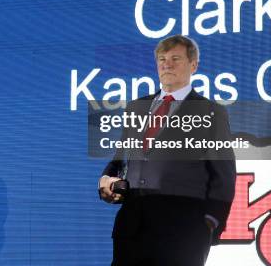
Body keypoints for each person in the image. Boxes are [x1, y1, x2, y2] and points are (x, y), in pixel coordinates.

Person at [98, 35, 236, 266]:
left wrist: (210, 223)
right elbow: (121, 160)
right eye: (162, 59)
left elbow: (223, 175)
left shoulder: (211, 111)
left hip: (183, 234)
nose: (166, 64)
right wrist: (106, 180)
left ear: (193, 65)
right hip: (132, 228)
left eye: (175, 58)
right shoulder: (137, 108)